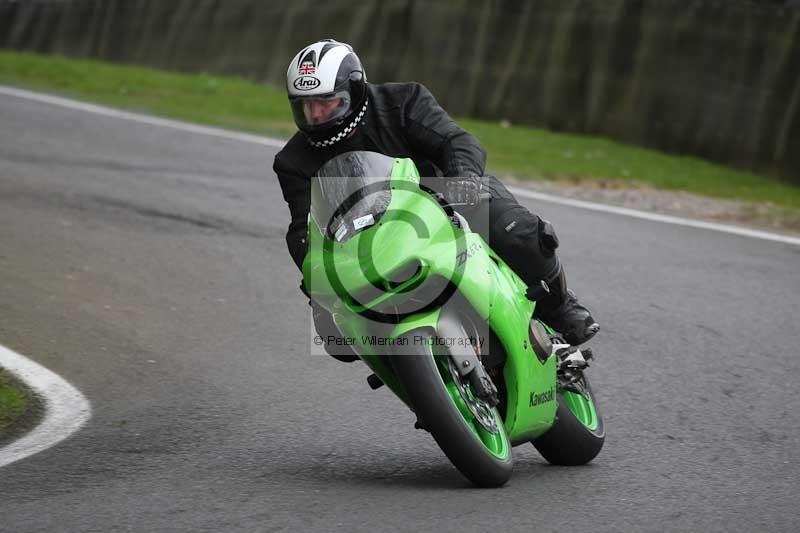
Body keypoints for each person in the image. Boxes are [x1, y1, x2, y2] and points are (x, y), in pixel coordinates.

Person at [273, 39, 599, 360]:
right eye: (305, 105)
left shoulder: (402, 101)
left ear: (354, 91)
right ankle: (424, 390)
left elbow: (457, 141)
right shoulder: (293, 162)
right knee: (335, 337)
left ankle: (560, 307)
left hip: (446, 203)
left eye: (327, 101)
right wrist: (312, 268)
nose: (316, 114)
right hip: (370, 244)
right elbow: (303, 224)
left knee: (516, 231)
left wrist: (463, 180)